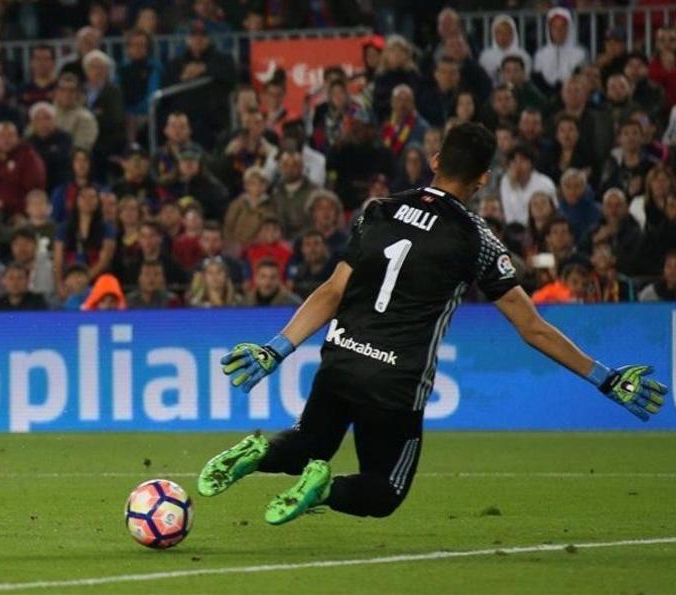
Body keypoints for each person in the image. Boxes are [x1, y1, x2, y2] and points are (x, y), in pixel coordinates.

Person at [197, 122, 666, 527]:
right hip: (396, 381)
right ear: (483, 179)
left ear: (436, 160)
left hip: (341, 358)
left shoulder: (377, 209)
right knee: (385, 490)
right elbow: (532, 328)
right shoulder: (477, 240)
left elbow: (331, 292)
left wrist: (275, 348)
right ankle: (321, 491)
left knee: (305, 443)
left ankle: (259, 453)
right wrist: (604, 378)